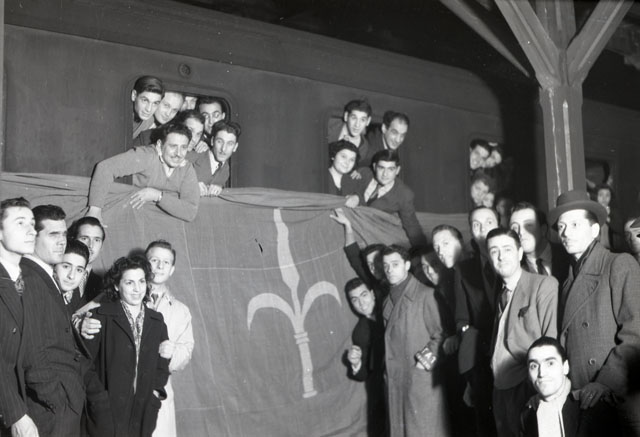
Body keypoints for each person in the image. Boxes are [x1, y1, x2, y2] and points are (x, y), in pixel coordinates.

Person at [549, 189, 640, 435]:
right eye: (561, 226)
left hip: (616, 399)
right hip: (585, 398)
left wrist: (604, 382)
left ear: (595, 229)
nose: (566, 233)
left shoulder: (618, 264)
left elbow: (635, 335)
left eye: (574, 224)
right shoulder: (567, 282)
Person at [21, 204, 111, 436]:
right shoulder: (32, 280)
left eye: (79, 270)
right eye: (54, 234)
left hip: (73, 396)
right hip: (52, 402)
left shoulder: (90, 288)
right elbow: (32, 350)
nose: (72, 274)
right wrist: (57, 398)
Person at [85, 255, 170, 437]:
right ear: (117, 285)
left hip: (142, 412)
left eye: (141, 281)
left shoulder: (157, 321)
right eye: (129, 282)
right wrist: (99, 399)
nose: (137, 289)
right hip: (106, 413)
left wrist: (155, 394)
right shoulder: (99, 317)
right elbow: (85, 365)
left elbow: (162, 365)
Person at [486, 228, 558, 437]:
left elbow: (551, 339)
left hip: (528, 387)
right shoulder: (501, 293)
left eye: (507, 249)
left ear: (519, 253)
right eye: (494, 251)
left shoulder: (543, 284)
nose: (501, 256)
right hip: (500, 389)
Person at [381, 245, 450, 437]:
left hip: (420, 379)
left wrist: (422, 365)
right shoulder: (386, 301)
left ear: (407, 265)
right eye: (385, 265)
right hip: (396, 380)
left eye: (395, 264)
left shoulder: (425, 294)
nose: (389, 270)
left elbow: (441, 334)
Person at [87, 122, 199, 222]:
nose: (178, 153)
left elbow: (190, 211)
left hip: (156, 222)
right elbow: (105, 168)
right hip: (126, 215)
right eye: (173, 146)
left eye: (183, 147)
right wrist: (94, 211)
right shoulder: (146, 156)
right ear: (160, 145)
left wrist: (157, 195)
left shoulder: (187, 169)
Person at [453, 206, 500, 437]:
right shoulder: (463, 269)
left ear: (499, 224)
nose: (483, 229)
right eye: (476, 225)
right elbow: (461, 318)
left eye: (489, 222)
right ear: (471, 231)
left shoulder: (515, 259)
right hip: (482, 360)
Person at [520, 337, 620, 437]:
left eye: (550, 363)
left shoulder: (593, 406)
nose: (541, 373)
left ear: (565, 367)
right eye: (534, 366)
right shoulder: (527, 415)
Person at [145, 240, 194, 437]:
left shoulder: (181, 311)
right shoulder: (125, 297)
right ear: (144, 263)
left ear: (172, 269)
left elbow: (186, 350)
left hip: (159, 390)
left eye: (166, 262)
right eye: (154, 260)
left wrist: (172, 352)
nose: (159, 266)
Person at [0, 198, 38, 436]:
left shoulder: (29, 280)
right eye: (20, 223)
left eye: (32, 223)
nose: (32, 230)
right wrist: (15, 414)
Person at [344, 149, 427, 248]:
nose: (385, 174)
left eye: (391, 169)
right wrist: (356, 195)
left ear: (397, 170)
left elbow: (411, 224)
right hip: (348, 227)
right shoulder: (363, 173)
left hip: (372, 236)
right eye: (381, 168)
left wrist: (422, 251)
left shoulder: (404, 194)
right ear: (374, 167)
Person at [344, 278, 385, 437]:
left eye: (364, 295)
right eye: (355, 300)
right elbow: (364, 374)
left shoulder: (391, 307)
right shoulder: (360, 332)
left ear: (373, 294)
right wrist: (356, 363)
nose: (361, 303)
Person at [509, 201, 570, 285]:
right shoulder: (512, 268)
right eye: (515, 228)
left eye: (528, 225)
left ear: (543, 229)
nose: (521, 232)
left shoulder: (568, 255)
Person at [188, 120, 241, 197]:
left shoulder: (225, 169)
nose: (223, 149)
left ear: (235, 147)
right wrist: (190, 185)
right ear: (212, 141)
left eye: (230, 144)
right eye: (219, 141)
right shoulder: (191, 157)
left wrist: (220, 188)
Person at [67, 216, 106, 305]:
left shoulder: (102, 284)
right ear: (73, 240)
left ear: (101, 246)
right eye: (84, 238)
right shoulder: (57, 273)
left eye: (97, 240)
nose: (90, 245)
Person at [53, 239, 90, 311]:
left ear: (84, 274)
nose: (71, 276)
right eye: (66, 266)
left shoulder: (74, 295)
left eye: (79, 270)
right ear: (54, 266)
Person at [132, 76, 164, 140]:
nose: (149, 109)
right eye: (145, 100)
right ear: (134, 95)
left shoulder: (149, 121)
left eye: (155, 103)